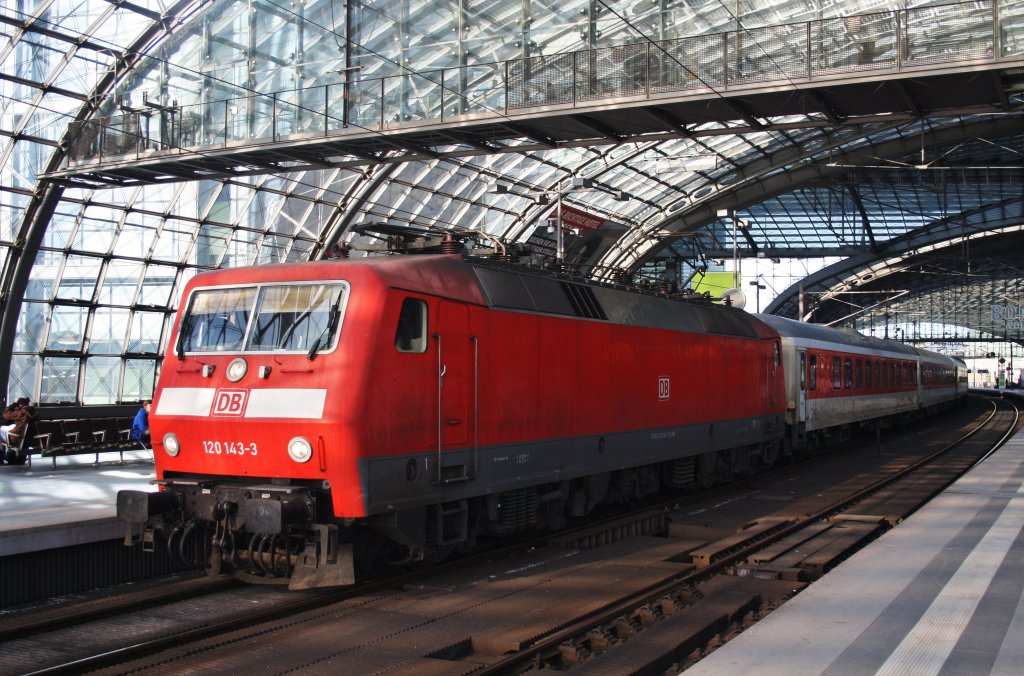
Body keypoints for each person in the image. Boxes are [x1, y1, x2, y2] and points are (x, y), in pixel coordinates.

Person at [1, 396, 38, 464]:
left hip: (17, 438)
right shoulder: (35, 413)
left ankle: (2, 456)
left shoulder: (21, 412)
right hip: (30, 439)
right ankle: (14, 455)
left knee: (0, 432)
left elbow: (5, 415)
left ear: (20, 405)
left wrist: (11, 407)